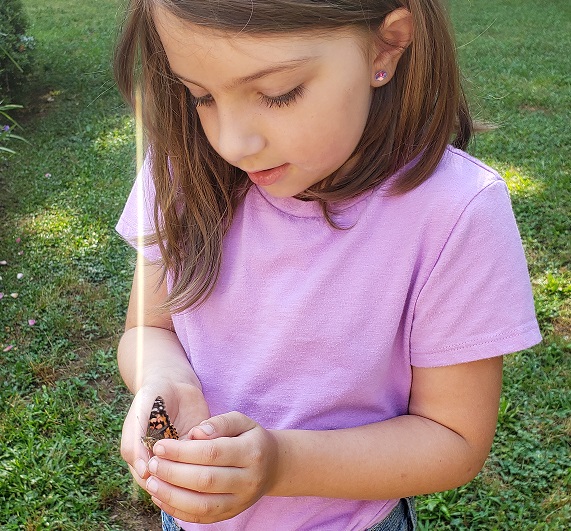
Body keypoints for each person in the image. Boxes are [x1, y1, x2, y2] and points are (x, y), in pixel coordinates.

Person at [113, 1, 541, 529]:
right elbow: (147, 327)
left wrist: (280, 464)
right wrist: (165, 377)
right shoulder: (182, 167)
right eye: (201, 95)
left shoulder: (455, 211)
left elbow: (453, 438)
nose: (232, 142)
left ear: (386, 46)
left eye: (277, 93)